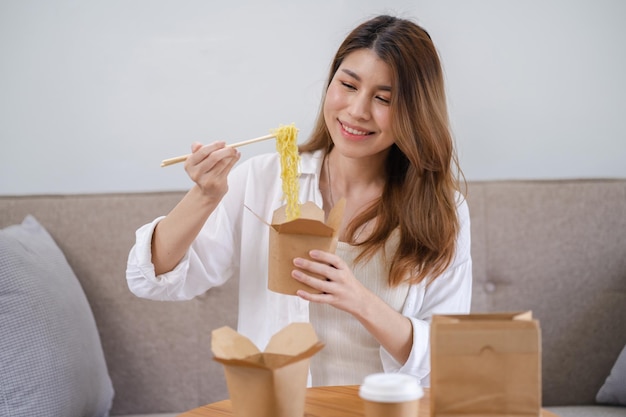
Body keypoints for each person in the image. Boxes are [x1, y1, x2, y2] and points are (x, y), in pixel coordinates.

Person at [126, 14, 472, 386]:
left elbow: (445, 357)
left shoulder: (442, 209)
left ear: (415, 112)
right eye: (348, 85)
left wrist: (357, 298)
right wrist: (204, 195)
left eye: (383, 98)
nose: (357, 110)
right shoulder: (263, 180)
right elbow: (150, 279)